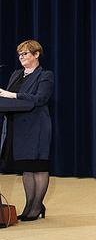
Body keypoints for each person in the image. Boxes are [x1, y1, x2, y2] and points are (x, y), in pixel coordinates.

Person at [0, 40, 55, 221]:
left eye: (25, 54)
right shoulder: (16, 74)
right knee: (26, 168)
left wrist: (13, 95)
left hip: (36, 127)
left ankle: (37, 205)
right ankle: (29, 204)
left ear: (36, 54)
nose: (21, 57)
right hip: (17, 127)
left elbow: (40, 99)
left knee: (37, 166)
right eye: (20, 54)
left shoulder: (45, 75)